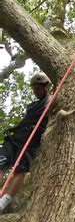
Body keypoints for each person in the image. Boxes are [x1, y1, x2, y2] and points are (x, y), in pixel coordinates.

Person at [0, 71, 51, 213]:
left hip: (31, 139)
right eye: (33, 89)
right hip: (16, 137)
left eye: (38, 89)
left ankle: (3, 202)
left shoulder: (52, 100)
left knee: (20, 170)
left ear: (46, 87)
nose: (35, 92)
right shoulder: (31, 106)